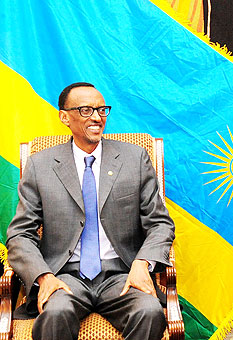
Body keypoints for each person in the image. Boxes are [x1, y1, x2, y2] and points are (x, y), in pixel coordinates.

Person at [6, 82, 175, 340]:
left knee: (150, 311)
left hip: (122, 275)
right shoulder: (41, 165)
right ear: (65, 117)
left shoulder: (134, 158)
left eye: (101, 109)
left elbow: (160, 223)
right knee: (55, 313)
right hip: (64, 277)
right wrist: (44, 276)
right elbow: (20, 235)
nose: (97, 117)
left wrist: (142, 263)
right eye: (85, 110)